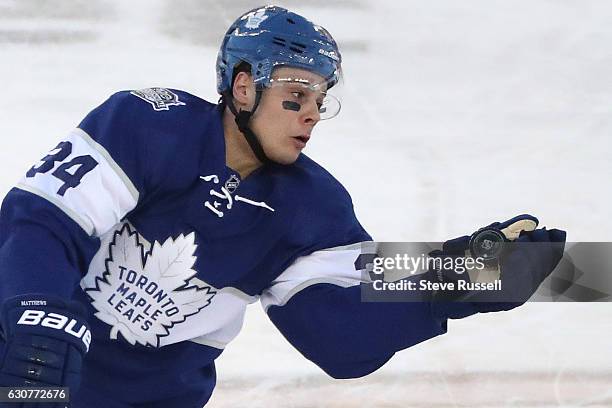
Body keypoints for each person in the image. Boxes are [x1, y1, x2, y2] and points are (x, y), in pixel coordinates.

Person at [0, 5, 565, 408]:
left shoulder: (311, 209)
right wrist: (37, 315)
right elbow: (40, 224)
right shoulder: (147, 123)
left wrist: (457, 280)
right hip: (27, 373)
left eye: (321, 100)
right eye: (295, 95)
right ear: (242, 87)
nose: (311, 114)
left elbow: (341, 337)